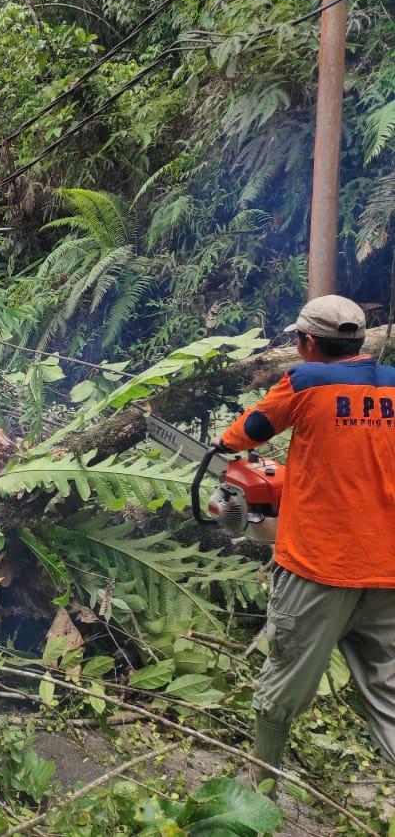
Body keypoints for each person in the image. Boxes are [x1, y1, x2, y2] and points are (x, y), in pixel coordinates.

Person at [217, 295, 395, 777]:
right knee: (388, 695)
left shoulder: (305, 379)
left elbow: (250, 430)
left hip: (319, 565)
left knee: (284, 683)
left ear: (309, 342)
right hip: (388, 567)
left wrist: (223, 444)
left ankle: (258, 786)